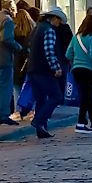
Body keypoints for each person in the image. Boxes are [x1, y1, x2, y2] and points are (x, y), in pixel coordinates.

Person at [26, 8, 67, 139]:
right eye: (59, 21)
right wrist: (56, 68)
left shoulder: (37, 29)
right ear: (54, 18)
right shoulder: (49, 30)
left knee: (40, 99)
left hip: (33, 69)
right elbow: (49, 51)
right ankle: (38, 120)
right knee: (56, 96)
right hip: (44, 71)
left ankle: (41, 129)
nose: (59, 24)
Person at [67, 10, 92, 133]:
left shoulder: (76, 37)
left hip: (77, 69)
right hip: (89, 70)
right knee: (86, 95)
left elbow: (68, 54)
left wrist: (76, 61)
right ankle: (81, 122)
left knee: (85, 95)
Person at [10, 8, 36, 122]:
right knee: (30, 87)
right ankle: (31, 110)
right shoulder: (32, 32)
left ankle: (18, 111)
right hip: (29, 63)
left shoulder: (14, 33)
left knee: (17, 87)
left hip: (17, 62)